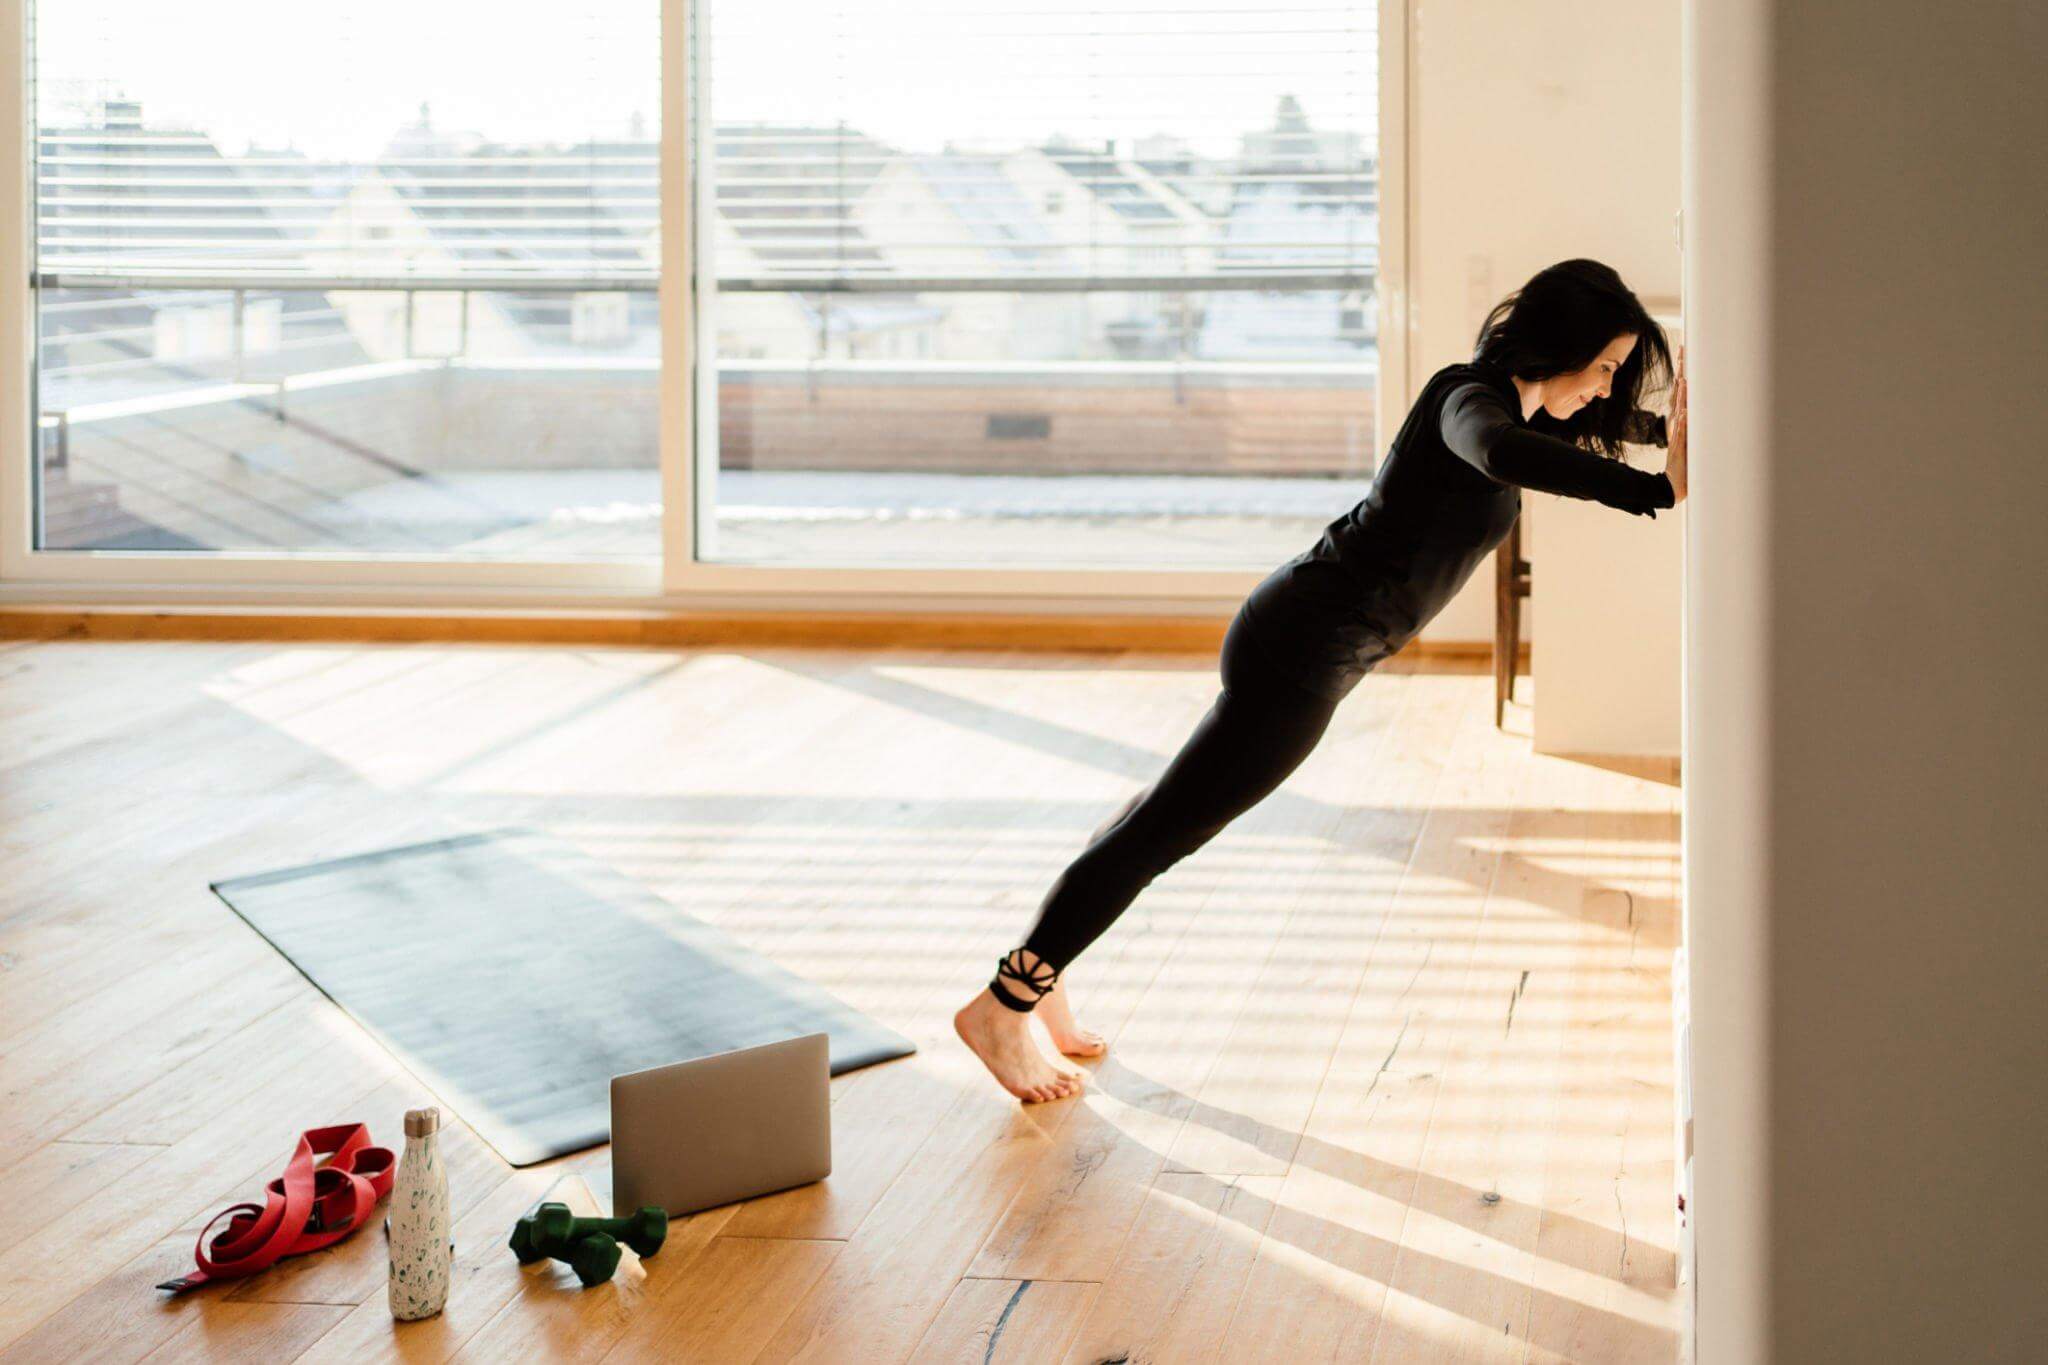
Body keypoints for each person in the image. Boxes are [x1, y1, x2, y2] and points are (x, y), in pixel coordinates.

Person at [954, 258, 1690, 1102]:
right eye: (1601, 367)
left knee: (1157, 814)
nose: (1603, 390)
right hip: (1299, 654)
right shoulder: (1472, 404)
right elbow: (1497, 449)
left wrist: (1674, 427)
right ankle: (1003, 1005)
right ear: (1559, 347)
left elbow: (1587, 430)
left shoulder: (1523, 405)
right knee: (1162, 832)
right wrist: (1657, 490)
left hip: (1301, 637)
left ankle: (1043, 969)